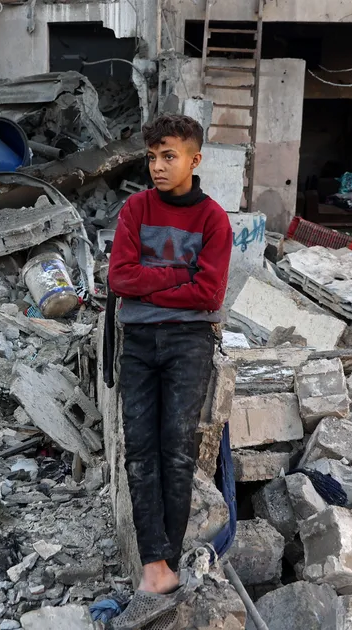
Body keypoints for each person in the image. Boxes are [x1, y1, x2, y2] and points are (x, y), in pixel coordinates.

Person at [106, 114, 233, 628]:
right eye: (152, 157)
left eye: (169, 156)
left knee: (176, 451)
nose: (158, 166)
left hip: (188, 344)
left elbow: (211, 293)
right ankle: (153, 567)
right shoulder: (135, 209)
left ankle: (170, 565)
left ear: (194, 160)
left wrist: (151, 283)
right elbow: (119, 277)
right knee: (140, 450)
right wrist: (180, 274)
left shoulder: (213, 220)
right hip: (138, 343)